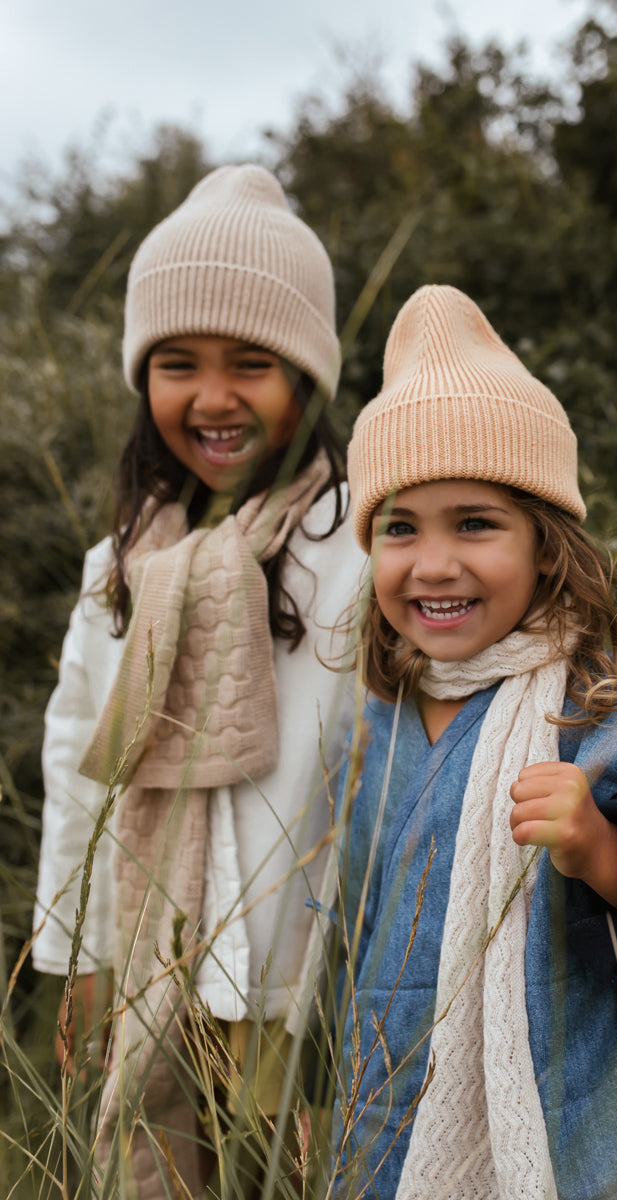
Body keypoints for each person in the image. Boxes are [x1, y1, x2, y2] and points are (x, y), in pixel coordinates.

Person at [328, 284, 617, 1199]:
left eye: (475, 523)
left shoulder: (610, 707)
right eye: (399, 528)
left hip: (604, 1141)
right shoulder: (369, 727)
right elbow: (340, 936)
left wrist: (608, 850)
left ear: (546, 544)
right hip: (397, 1129)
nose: (433, 563)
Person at [32, 164, 365, 1198]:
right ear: (144, 381)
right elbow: (79, 764)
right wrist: (78, 954)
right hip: (160, 970)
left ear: (307, 377)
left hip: (306, 973)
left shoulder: (365, 542)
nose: (213, 398)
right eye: (178, 364)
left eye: (252, 364)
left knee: (306, 1179)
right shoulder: (120, 569)